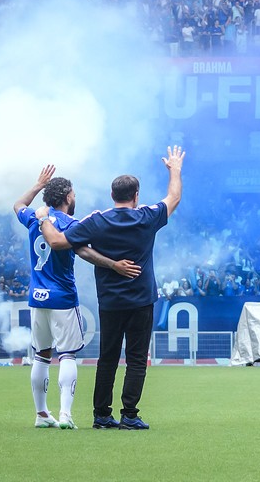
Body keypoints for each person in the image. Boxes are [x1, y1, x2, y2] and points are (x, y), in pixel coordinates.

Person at [38, 146, 184, 431]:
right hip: (141, 299)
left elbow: (58, 243)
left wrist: (41, 217)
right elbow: (174, 197)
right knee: (137, 359)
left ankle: (101, 415)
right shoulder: (147, 217)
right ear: (136, 196)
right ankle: (129, 415)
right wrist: (175, 169)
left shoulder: (97, 220)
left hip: (110, 302)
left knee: (107, 358)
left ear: (112, 196)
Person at [14, 165, 140, 430]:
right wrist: (113, 264)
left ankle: (41, 414)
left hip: (37, 297)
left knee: (41, 356)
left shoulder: (35, 217)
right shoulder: (71, 224)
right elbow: (84, 252)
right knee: (67, 355)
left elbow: (17, 205)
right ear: (68, 197)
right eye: (73, 193)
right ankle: (66, 415)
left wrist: (38, 185)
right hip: (62, 298)